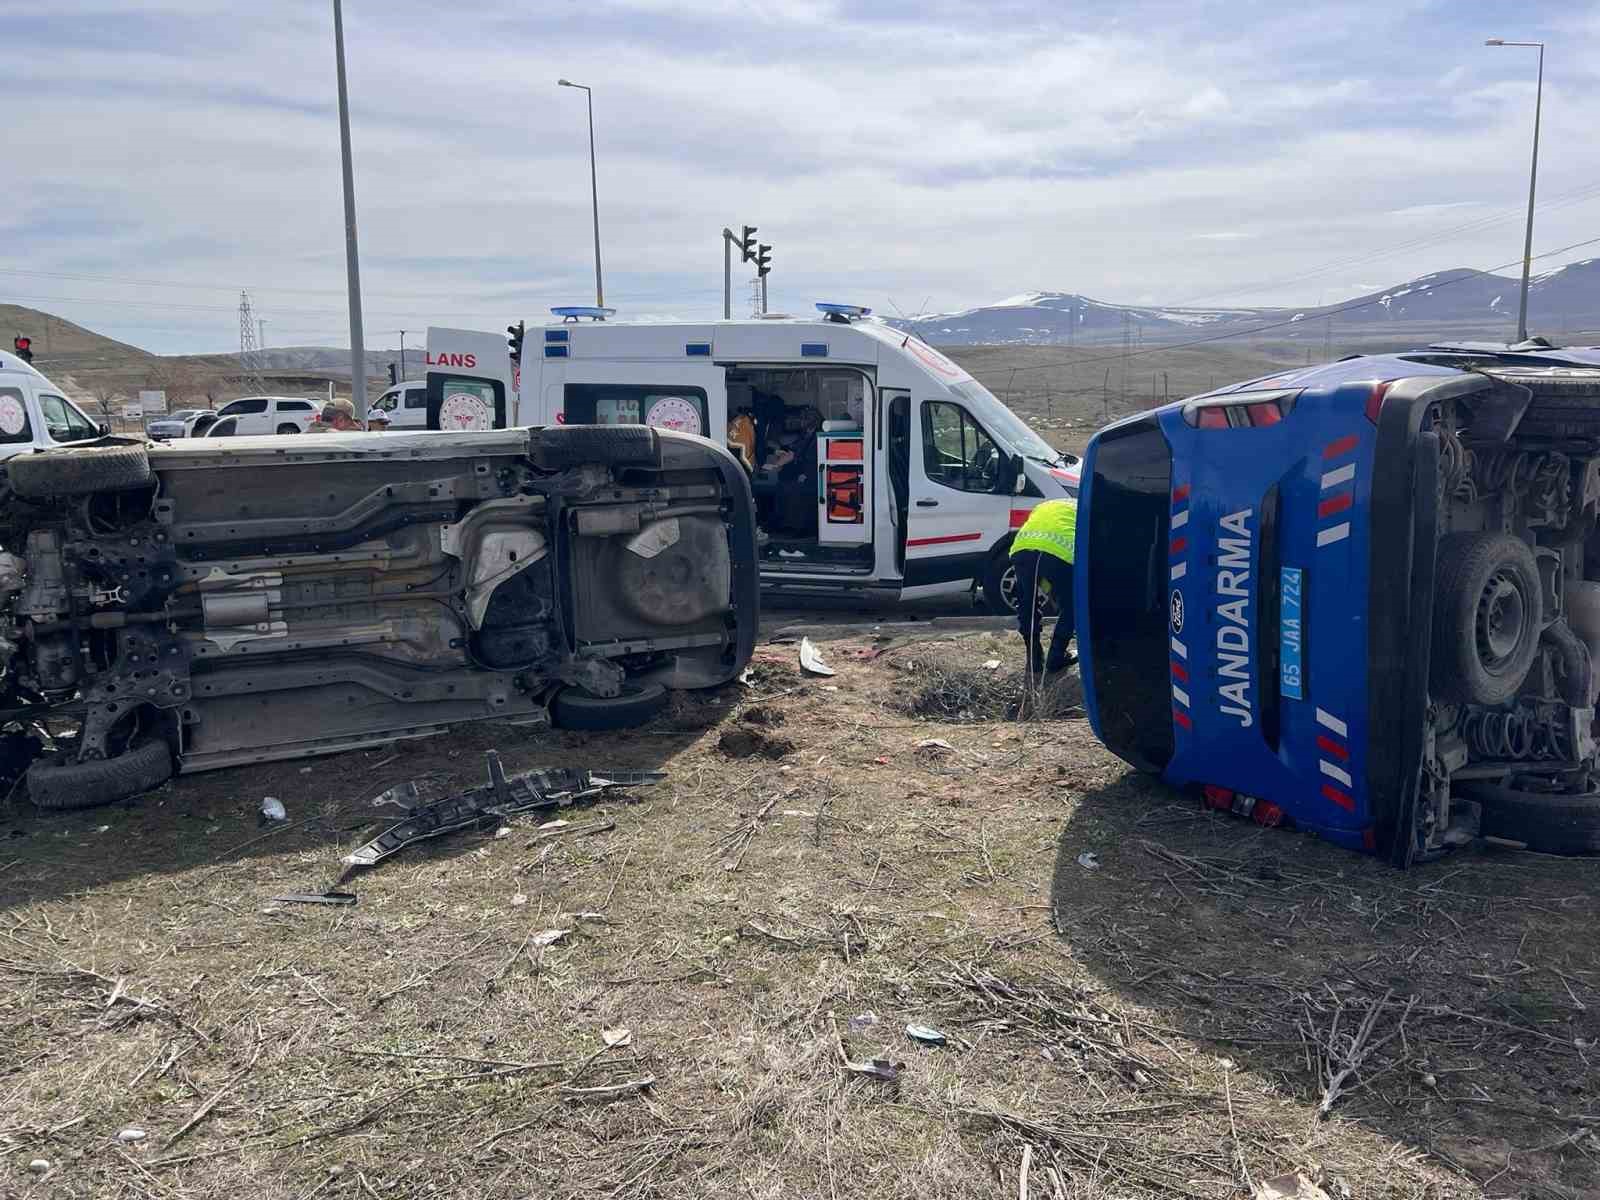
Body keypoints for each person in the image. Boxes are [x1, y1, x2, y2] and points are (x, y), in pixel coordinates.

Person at [1010, 497, 1078, 675]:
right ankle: (1056, 657)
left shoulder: (1047, 505)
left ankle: (1034, 659)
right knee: (1072, 604)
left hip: (1022, 549)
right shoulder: (1086, 508)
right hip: (1059, 554)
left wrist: (1050, 589)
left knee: (1027, 603)